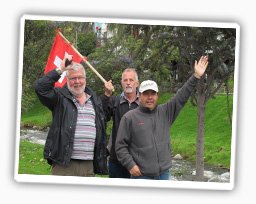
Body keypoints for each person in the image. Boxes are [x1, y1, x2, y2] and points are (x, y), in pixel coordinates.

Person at [115, 56, 209, 180]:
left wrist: (196, 76)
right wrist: (130, 165)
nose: (150, 97)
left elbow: (181, 96)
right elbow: (120, 146)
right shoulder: (129, 118)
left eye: (153, 93)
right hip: (141, 176)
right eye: (146, 94)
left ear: (157, 95)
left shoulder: (165, 112)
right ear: (140, 95)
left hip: (164, 174)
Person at [34, 54, 108, 177]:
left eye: (80, 77)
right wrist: (61, 69)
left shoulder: (95, 100)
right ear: (67, 80)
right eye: (73, 78)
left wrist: (107, 95)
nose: (77, 81)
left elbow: (103, 121)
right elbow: (40, 88)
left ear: (85, 79)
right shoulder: (59, 98)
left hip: (88, 166)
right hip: (64, 165)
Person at [103, 68, 140, 178]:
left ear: (137, 83)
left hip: (138, 160)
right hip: (116, 159)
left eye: (131, 80)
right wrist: (106, 95)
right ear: (121, 83)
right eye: (125, 80)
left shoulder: (143, 103)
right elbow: (103, 117)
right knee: (116, 194)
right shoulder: (115, 101)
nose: (128, 83)